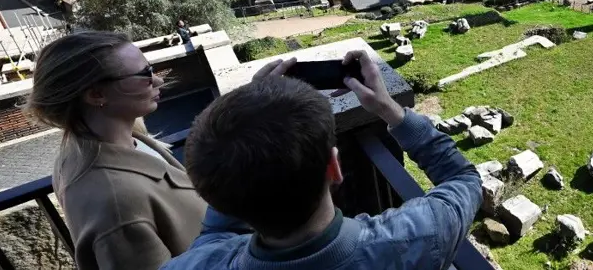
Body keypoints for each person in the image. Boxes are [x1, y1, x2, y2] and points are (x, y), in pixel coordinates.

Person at [162, 51, 482, 270]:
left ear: (209, 193)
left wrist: (251, 108)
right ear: (334, 167)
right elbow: (463, 180)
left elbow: (213, 237)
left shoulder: (195, 264)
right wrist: (389, 109)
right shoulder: (420, 236)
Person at [26, 31, 207, 270]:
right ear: (96, 94)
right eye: (145, 74)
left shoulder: (100, 146)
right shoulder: (116, 205)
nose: (158, 81)